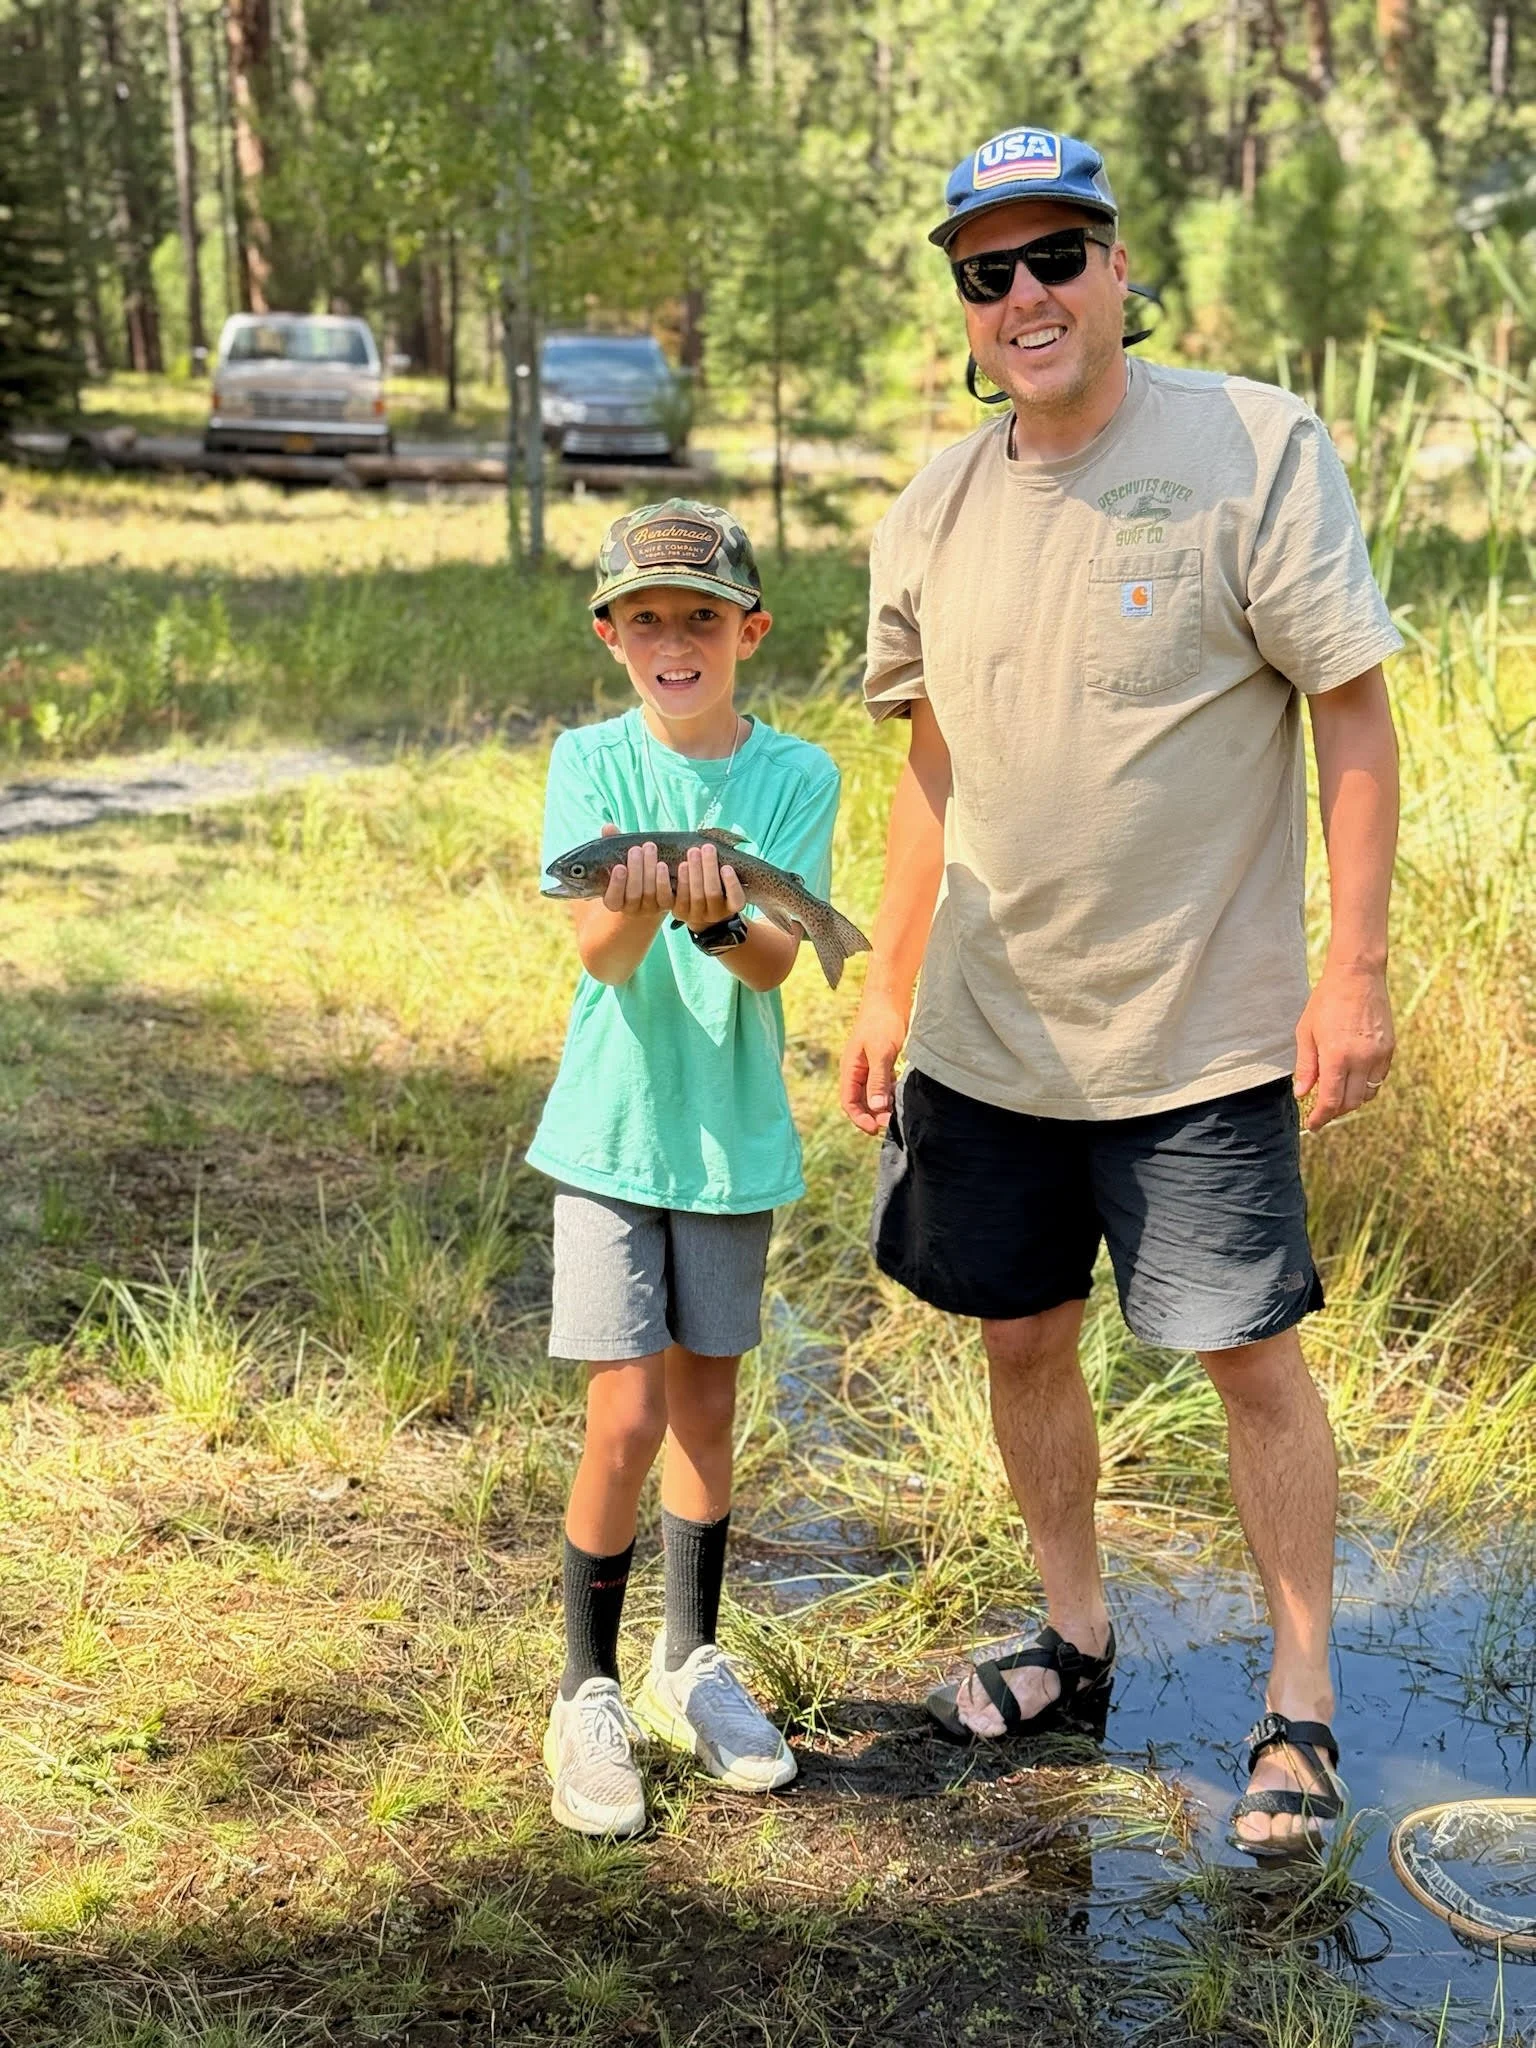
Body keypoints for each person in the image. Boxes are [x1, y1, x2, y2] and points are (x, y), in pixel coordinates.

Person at [840, 128, 1402, 1857]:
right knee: (1022, 1338)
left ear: (1118, 263)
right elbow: (933, 761)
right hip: (992, 1038)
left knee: (1249, 1359)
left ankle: (1299, 1702)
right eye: (987, 273)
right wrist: (888, 982)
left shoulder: (1250, 446)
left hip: (1200, 1030)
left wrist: (1355, 967)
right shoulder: (932, 505)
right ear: (964, 302)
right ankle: (1073, 1640)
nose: (1026, 298)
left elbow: (1353, 710)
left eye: (1055, 257)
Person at [528, 499, 842, 1837]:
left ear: (748, 632)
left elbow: (778, 962)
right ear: (610, 636)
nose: (674, 641)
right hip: (609, 1137)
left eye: (701, 619)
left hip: (732, 1146)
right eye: (646, 619)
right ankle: (585, 1688)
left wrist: (723, 922)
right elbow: (594, 954)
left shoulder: (799, 778)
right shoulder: (588, 761)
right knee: (624, 1417)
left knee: (708, 1414)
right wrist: (637, 899)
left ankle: (688, 1663)